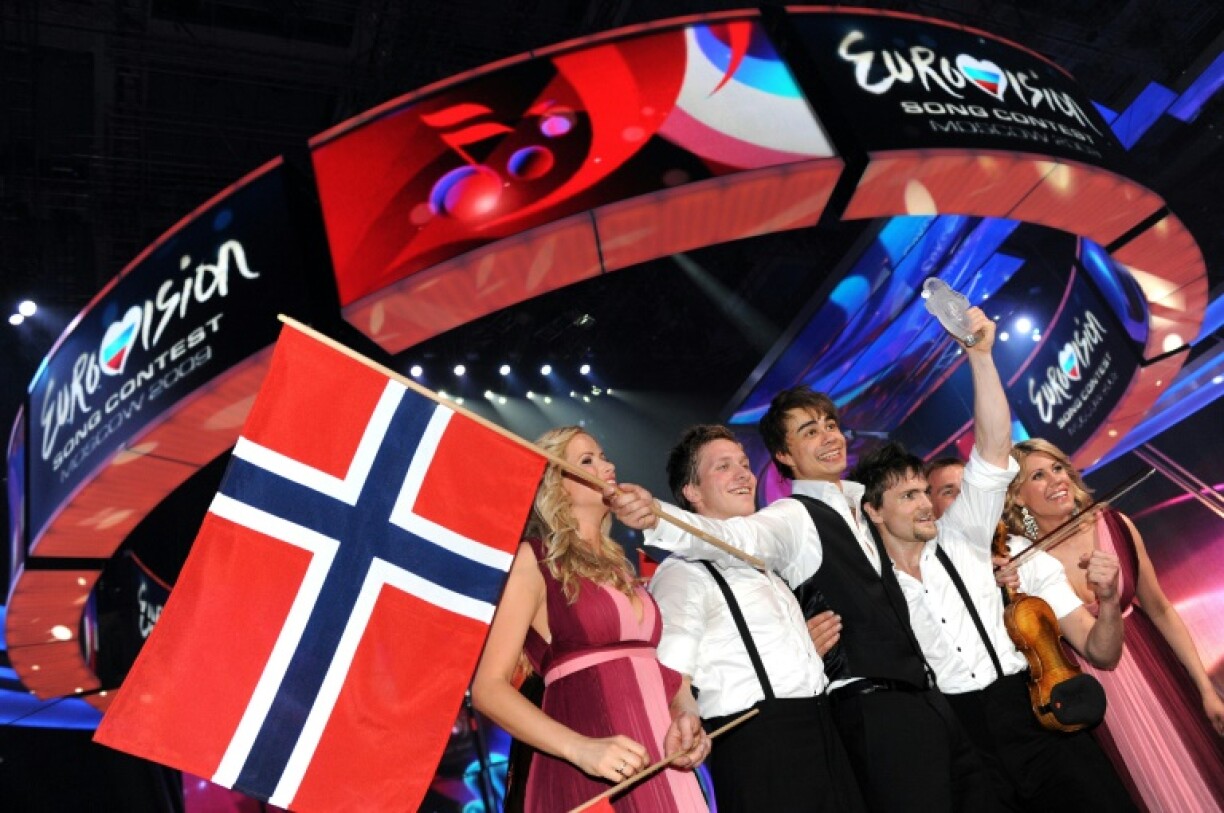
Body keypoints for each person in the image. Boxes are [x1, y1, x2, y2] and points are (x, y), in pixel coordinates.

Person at [612, 308, 1009, 812]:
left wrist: (980, 358)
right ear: (783, 455)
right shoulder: (791, 518)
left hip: (931, 704)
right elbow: (737, 539)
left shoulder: (868, 510)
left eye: (830, 424)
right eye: (808, 432)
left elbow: (991, 465)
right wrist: (656, 517)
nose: (829, 436)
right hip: (871, 718)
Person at [853, 441, 1136, 811]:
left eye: (968, 491)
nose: (964, 501)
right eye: (948, 492)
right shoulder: (894, 580)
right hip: (966, 742)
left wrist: (1110, 601)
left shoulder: (1025, 557)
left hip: (1040, 719)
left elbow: (1102, 651)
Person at [471, 427, 709, 812]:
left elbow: (656, 668)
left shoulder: (625, 569)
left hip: (663, 762)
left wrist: (684, 711)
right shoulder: (535, 561)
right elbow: (488, 688)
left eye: (603, 455)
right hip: (589, 768)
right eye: (587, 461)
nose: (608, 465)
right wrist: (580, 748)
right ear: (555, 485)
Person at [648, 424, 864, 812]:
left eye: (745, 464)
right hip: (759, 742)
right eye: (723, 467)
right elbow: (672, 669)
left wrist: (802, 651)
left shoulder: (765, 565)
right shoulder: (682, 572)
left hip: (821, 728)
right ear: (691, 492)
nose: (744, 474)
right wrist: (682, 710)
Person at [1004, 438, 1224, 812]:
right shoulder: (1025, 564)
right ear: (1019, 498)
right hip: (1097, 695)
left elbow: (1161, 609)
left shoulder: (1115, 524)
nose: (1056, 479)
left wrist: (1205, 688)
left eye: (1057, 468)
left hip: (1155, 669)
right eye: (1038, 476)